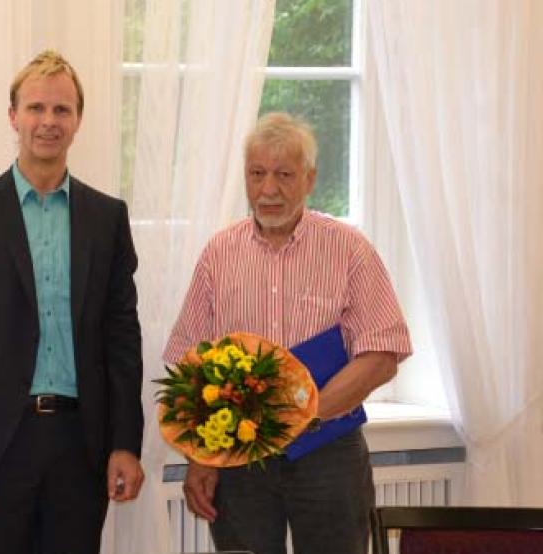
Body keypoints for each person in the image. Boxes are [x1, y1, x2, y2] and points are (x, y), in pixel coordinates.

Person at [0, 50, 145, 554]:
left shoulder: (107, 218)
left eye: (62, 110)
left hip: (81, 443)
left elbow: (122, 340)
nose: (49, 122)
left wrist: (125, 444)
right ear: (13, 117)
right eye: (36, 108)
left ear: (78, 121)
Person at [164, 112, 412, 554]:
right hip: (240, 458)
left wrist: (307, 416)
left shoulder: (349, 249)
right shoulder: (219, 253)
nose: (268, 189)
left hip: (328, 450)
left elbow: (382, 353)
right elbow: (188, 360)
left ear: (310, 179)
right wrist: (201, 457)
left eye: (284, 175)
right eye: (257, 174)